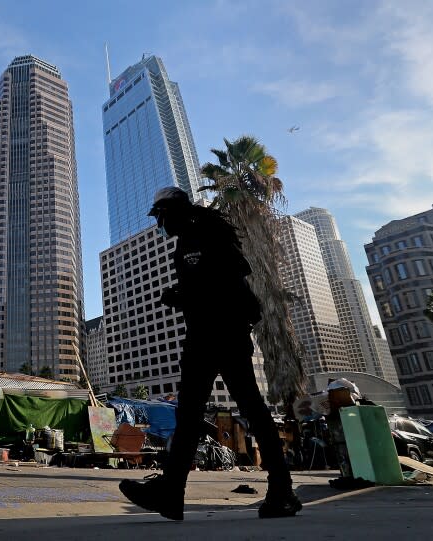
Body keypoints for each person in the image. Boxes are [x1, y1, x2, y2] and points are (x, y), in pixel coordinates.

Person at [118, 187, 302, 520]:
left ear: (171, 211)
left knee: (251, 409)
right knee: (188, 416)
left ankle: (283, 490)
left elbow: (230, 279)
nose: (160, 224)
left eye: (160, 217)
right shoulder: (188, 237)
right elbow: (206, 284)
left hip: (224, 334)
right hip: (203, 335)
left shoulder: (206, 231)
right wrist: (184, 294)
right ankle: (171, 494)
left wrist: (185, 295)